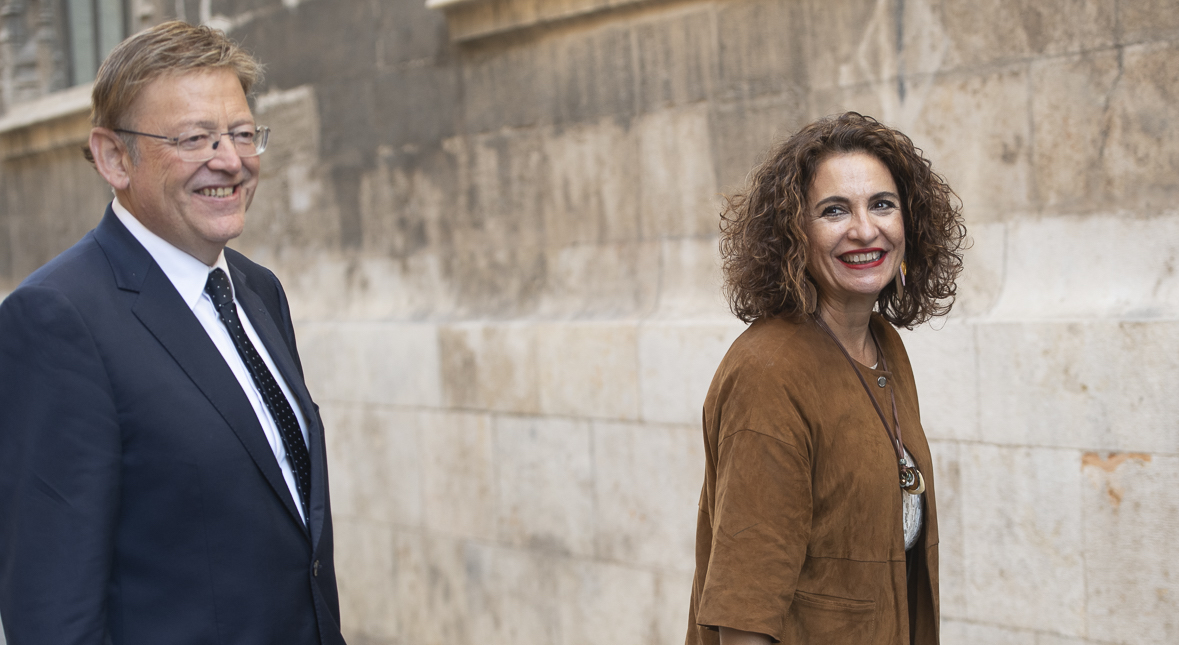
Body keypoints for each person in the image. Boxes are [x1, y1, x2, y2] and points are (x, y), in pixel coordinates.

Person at [0, 21, 345, 645]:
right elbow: (54, 616)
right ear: (113, 157)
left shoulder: (256, 289)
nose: (231, 161)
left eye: (243, 134)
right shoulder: (57, 320)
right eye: (195, 138)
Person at [686, 112, 966, 645]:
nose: (865, 229)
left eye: (882, 204)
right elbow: (745, 609)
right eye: (834, 211)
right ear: (794, 234)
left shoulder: (885, 346)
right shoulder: (769, 374)